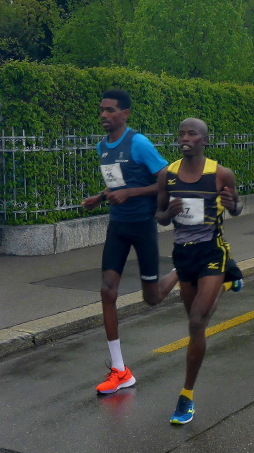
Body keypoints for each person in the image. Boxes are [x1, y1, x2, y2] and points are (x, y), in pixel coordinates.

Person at [82, 89, 179, 395]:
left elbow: (166, 178)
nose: (104, 115)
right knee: (107, 291)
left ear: (125, 114)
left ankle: (184, 268)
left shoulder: (138, 143)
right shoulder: (102, 147)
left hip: (142, 227)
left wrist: (131, 194)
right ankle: (120, 370)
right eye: (102, 110)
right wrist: (100, 198)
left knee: (152, 298)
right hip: (118, 227)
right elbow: (117, 183)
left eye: (110, 110)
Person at [156, 117, 246, 424]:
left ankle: (186, 397)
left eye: (191, 134)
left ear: (204, 140)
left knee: (196, 321)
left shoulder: (220, 174)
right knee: (196, 319)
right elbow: (159, 216)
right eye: (181, 134)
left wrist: (232, 205)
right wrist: (167, 213)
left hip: (211, 251)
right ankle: (229, 282)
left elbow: (237, 207)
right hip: (183, 255)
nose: (185, 138)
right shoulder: (167, 174)